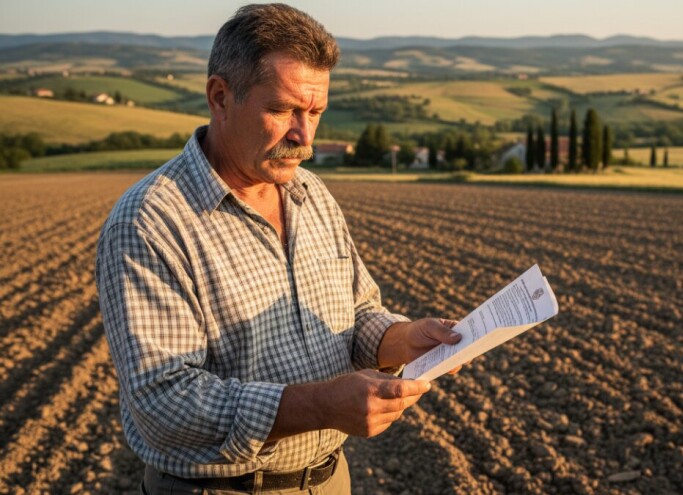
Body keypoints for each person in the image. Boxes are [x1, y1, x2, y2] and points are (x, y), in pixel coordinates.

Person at [95, 4, 462, 494]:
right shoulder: (150, 221)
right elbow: (165, 403)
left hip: (331, 480)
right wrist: (318, 405)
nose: (304, 136)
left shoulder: (311, 195)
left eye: (315, 112)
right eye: (283, 110)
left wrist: (404, 336)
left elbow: (355, 312)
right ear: (220, 97)